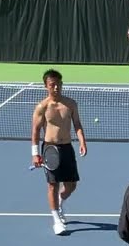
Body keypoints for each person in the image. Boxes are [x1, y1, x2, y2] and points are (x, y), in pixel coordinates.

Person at [30, 69, 87, 235]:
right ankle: (56, 219)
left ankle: (60, 202)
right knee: (52, 185)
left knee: (71, 185)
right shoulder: (42, 107)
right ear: (46, 86)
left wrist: (82, 141)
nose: (56, 88)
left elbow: (77, 124)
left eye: (58, 84)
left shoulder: (70, 104)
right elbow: (35, 131)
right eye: (52, 85)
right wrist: (35, 153)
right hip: (50, 149)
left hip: (67, 148)